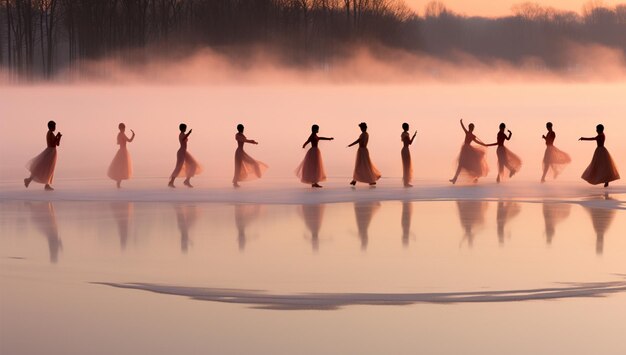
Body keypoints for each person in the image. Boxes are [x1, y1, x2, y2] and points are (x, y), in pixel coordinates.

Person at [24, 120, 62, 191]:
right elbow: (53, 143)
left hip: (52, 152)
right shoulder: (50, 133)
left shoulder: (51, 133)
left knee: (49, 169)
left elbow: (57, 144)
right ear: (51, 127)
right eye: (54, 126)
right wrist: (57, 136)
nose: (55, 127)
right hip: (50, 152)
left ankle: (46, 184)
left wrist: (59, 137)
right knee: (43, 168)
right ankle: (29, 180)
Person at [449, 119, 489, 184]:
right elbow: (477, 141)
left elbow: (463, 128)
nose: (471, 129)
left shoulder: (469, 133)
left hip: (467, 150)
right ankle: (455, 179)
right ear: (472, 128)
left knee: (464, 165)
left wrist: (461, 122)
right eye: (471, 128)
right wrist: (484, 144)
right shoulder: (469, 134)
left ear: (470, 128)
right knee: (461, 165)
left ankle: (457, 179)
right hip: (466, 149)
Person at [168, 123, 202, 188]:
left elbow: (185, 138)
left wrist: (188, 134)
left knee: (193, 164)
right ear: (182, 128)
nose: (185, 129)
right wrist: (189, 133)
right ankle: (171, 182)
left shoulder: (183, 134)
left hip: (184, 152)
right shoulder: (181, 135)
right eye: (185, 128)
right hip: (181, 152)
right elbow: (184, 138)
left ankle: (187, 181)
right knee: (178, 167)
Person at [348, 122, 381, 186]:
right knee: (365, 165)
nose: (361, 129)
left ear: (364, 128)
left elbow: (358, 141)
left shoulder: (363, 134)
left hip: (362, 150)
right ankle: (355, 180)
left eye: (361, 128)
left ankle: (358, 180)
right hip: (364, 150)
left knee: (360, 165)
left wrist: (351, 144)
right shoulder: (366, 134)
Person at [107, 123, 136, 188]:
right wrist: (133, 135)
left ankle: (118, 184)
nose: (124, 129)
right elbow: (129, 140)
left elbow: (119, 142)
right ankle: (118, 184)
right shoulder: (122, 134)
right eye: (124, 128)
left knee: (120, 167)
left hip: (120, 151)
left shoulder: (119, 134)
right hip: (123, 152)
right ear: (122, 128)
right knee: (122, 168)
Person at [401, 123, 417, 187]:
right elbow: (410, 143)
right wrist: (414, 136)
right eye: (408, 126)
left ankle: (406, 182)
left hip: (404, 150)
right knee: (407, 166)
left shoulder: (403, 134)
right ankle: (406, 182)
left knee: (406, 166)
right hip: (406, 150)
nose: (409, 127)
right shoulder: (406, 134)